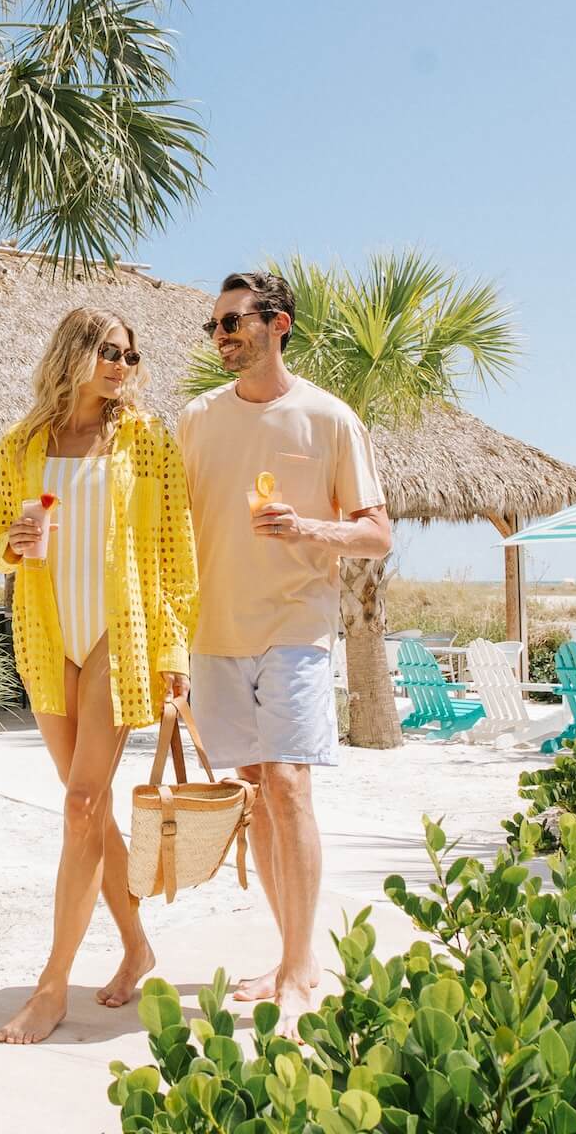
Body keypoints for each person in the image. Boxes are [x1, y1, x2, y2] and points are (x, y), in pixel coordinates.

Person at [177, 271, 393, 1033]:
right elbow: (166, 523)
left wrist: (308, 529)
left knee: (290, 784)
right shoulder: (197, 419)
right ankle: (285, 954)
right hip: (214, 629)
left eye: (233, 323)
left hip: (296, 626)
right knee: (256, 790)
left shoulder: (330, 418)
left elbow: (376, 533)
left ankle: (303, 966)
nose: (221, 337)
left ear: (279, 324)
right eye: (214, 326)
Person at [0, 307, 199, 1045]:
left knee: (79, 803)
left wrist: (174, 655)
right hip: (47, 639)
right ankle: (137, 946)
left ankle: (51, 989)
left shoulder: (146, 439)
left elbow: (176, 551)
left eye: (130, 356)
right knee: (91, 811)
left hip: (118, 635)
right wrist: (12, 543)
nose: (121, 366)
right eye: (109, 351)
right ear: (72, 352)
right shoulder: (21, 444)